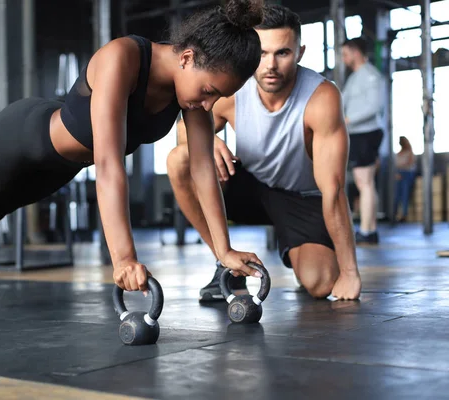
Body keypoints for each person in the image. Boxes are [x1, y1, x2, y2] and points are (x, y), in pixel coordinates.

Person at [0, 0, 267, 316]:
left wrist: (224, 251)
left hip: (61, 165)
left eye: (219, 97)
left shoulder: (192, 97)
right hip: (22, 138)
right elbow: (110, 162)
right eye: (210, 90)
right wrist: (124, 258)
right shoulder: (123, 57)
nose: (209, 103)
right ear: (186, 58)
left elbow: (201, 169)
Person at [167, 4, 361, 301]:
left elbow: (333, 190)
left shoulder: (321, 97)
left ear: (300, 52)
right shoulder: (231, 89)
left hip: (301, 198)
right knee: (181, 159)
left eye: (282, 53)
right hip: (251, 186)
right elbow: (185, 128)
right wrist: (208, 142)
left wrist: (349, 273)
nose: (270, 65)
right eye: (261, 54)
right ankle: (224, 265)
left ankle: (298, 248)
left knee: (320, 283)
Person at [341, 37, 385, 244]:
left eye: (346, 54)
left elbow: (373, 107)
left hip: (366, 133)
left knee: (364, 183)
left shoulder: (370, 76)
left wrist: (347, 119)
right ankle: (370, 229)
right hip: (358, 134)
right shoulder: (355, 77)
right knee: (365, 183)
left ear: (356, 52)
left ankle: (367, 231)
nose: (344, 58)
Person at [393, 136, 417, 221]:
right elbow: (396, 166)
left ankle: (404, 215)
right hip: (399, 174)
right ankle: (394, 214)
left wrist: (401, 167)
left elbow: (410, 163)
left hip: (407, 174)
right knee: (396, 195)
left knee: (404, 194)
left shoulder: (409, 152)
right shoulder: (398, 153)